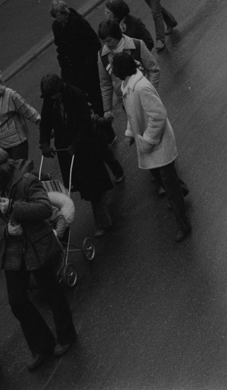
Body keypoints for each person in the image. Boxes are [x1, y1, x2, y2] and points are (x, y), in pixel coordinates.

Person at [0, 147, 77, 372]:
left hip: (36, 245)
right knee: (17, 301)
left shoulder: (27, 180)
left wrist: (13, 207)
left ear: (0, 169)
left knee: (52, 293)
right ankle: (42, 345)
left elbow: (43, 208)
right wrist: (6, 229)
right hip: (13, 249)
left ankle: (67, 335)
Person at [112, 50, 192, 243]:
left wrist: (147, 140)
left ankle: (184, 225)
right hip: (152, 144)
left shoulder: (141, 88)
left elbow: (158, 116)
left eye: (114, 69)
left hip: (158, 143)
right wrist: (130, 134)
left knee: (169, 186)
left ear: (122, 70)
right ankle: (180, 192)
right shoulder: (129, 87)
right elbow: (134, 114)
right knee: (167, 180)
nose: (113, 72)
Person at [39, 74, 115, 237]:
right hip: (67, 150)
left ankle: (103, 221)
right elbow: (45, 122)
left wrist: (76, 143)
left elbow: (85, 123)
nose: (52, 98)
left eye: (54, 95)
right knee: (82, 184)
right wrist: (44, 143)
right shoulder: (50, 99)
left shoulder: (76, 95)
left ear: (60, 90)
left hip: (85, 147)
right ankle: (101, 201)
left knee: (94, 184)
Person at [97, 21, 161, 125]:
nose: (107, 45)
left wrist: (150, 92)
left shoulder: (137, 45)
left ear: (117, 35)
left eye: (109, 40)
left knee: (155, 125)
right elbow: (105, 83)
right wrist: (107, 109)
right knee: (138, 128)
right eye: (104, 41)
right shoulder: (102, 56)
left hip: (145, 97)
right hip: (127, 102)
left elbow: (153, 69)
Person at [50, 1, 104, 117]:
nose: (59, 21)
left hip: (87, 70)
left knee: (95, 98)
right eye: (56, 18)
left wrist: (87, 65)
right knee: (78, 101)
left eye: (60, 18)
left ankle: (103, 125)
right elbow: (59, 47)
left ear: (66, 14)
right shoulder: (56, 26)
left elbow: (95, 44)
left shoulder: (79, 23)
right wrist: (63, 63)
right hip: (70, 71)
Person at [0, 66, 40, 161]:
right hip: (0, 146)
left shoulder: (10, 95)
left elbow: (27, 110)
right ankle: (43, 177)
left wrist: (42, 125)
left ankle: (44, 177)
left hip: (17, 144)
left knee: (19, 172)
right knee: (9, 173)